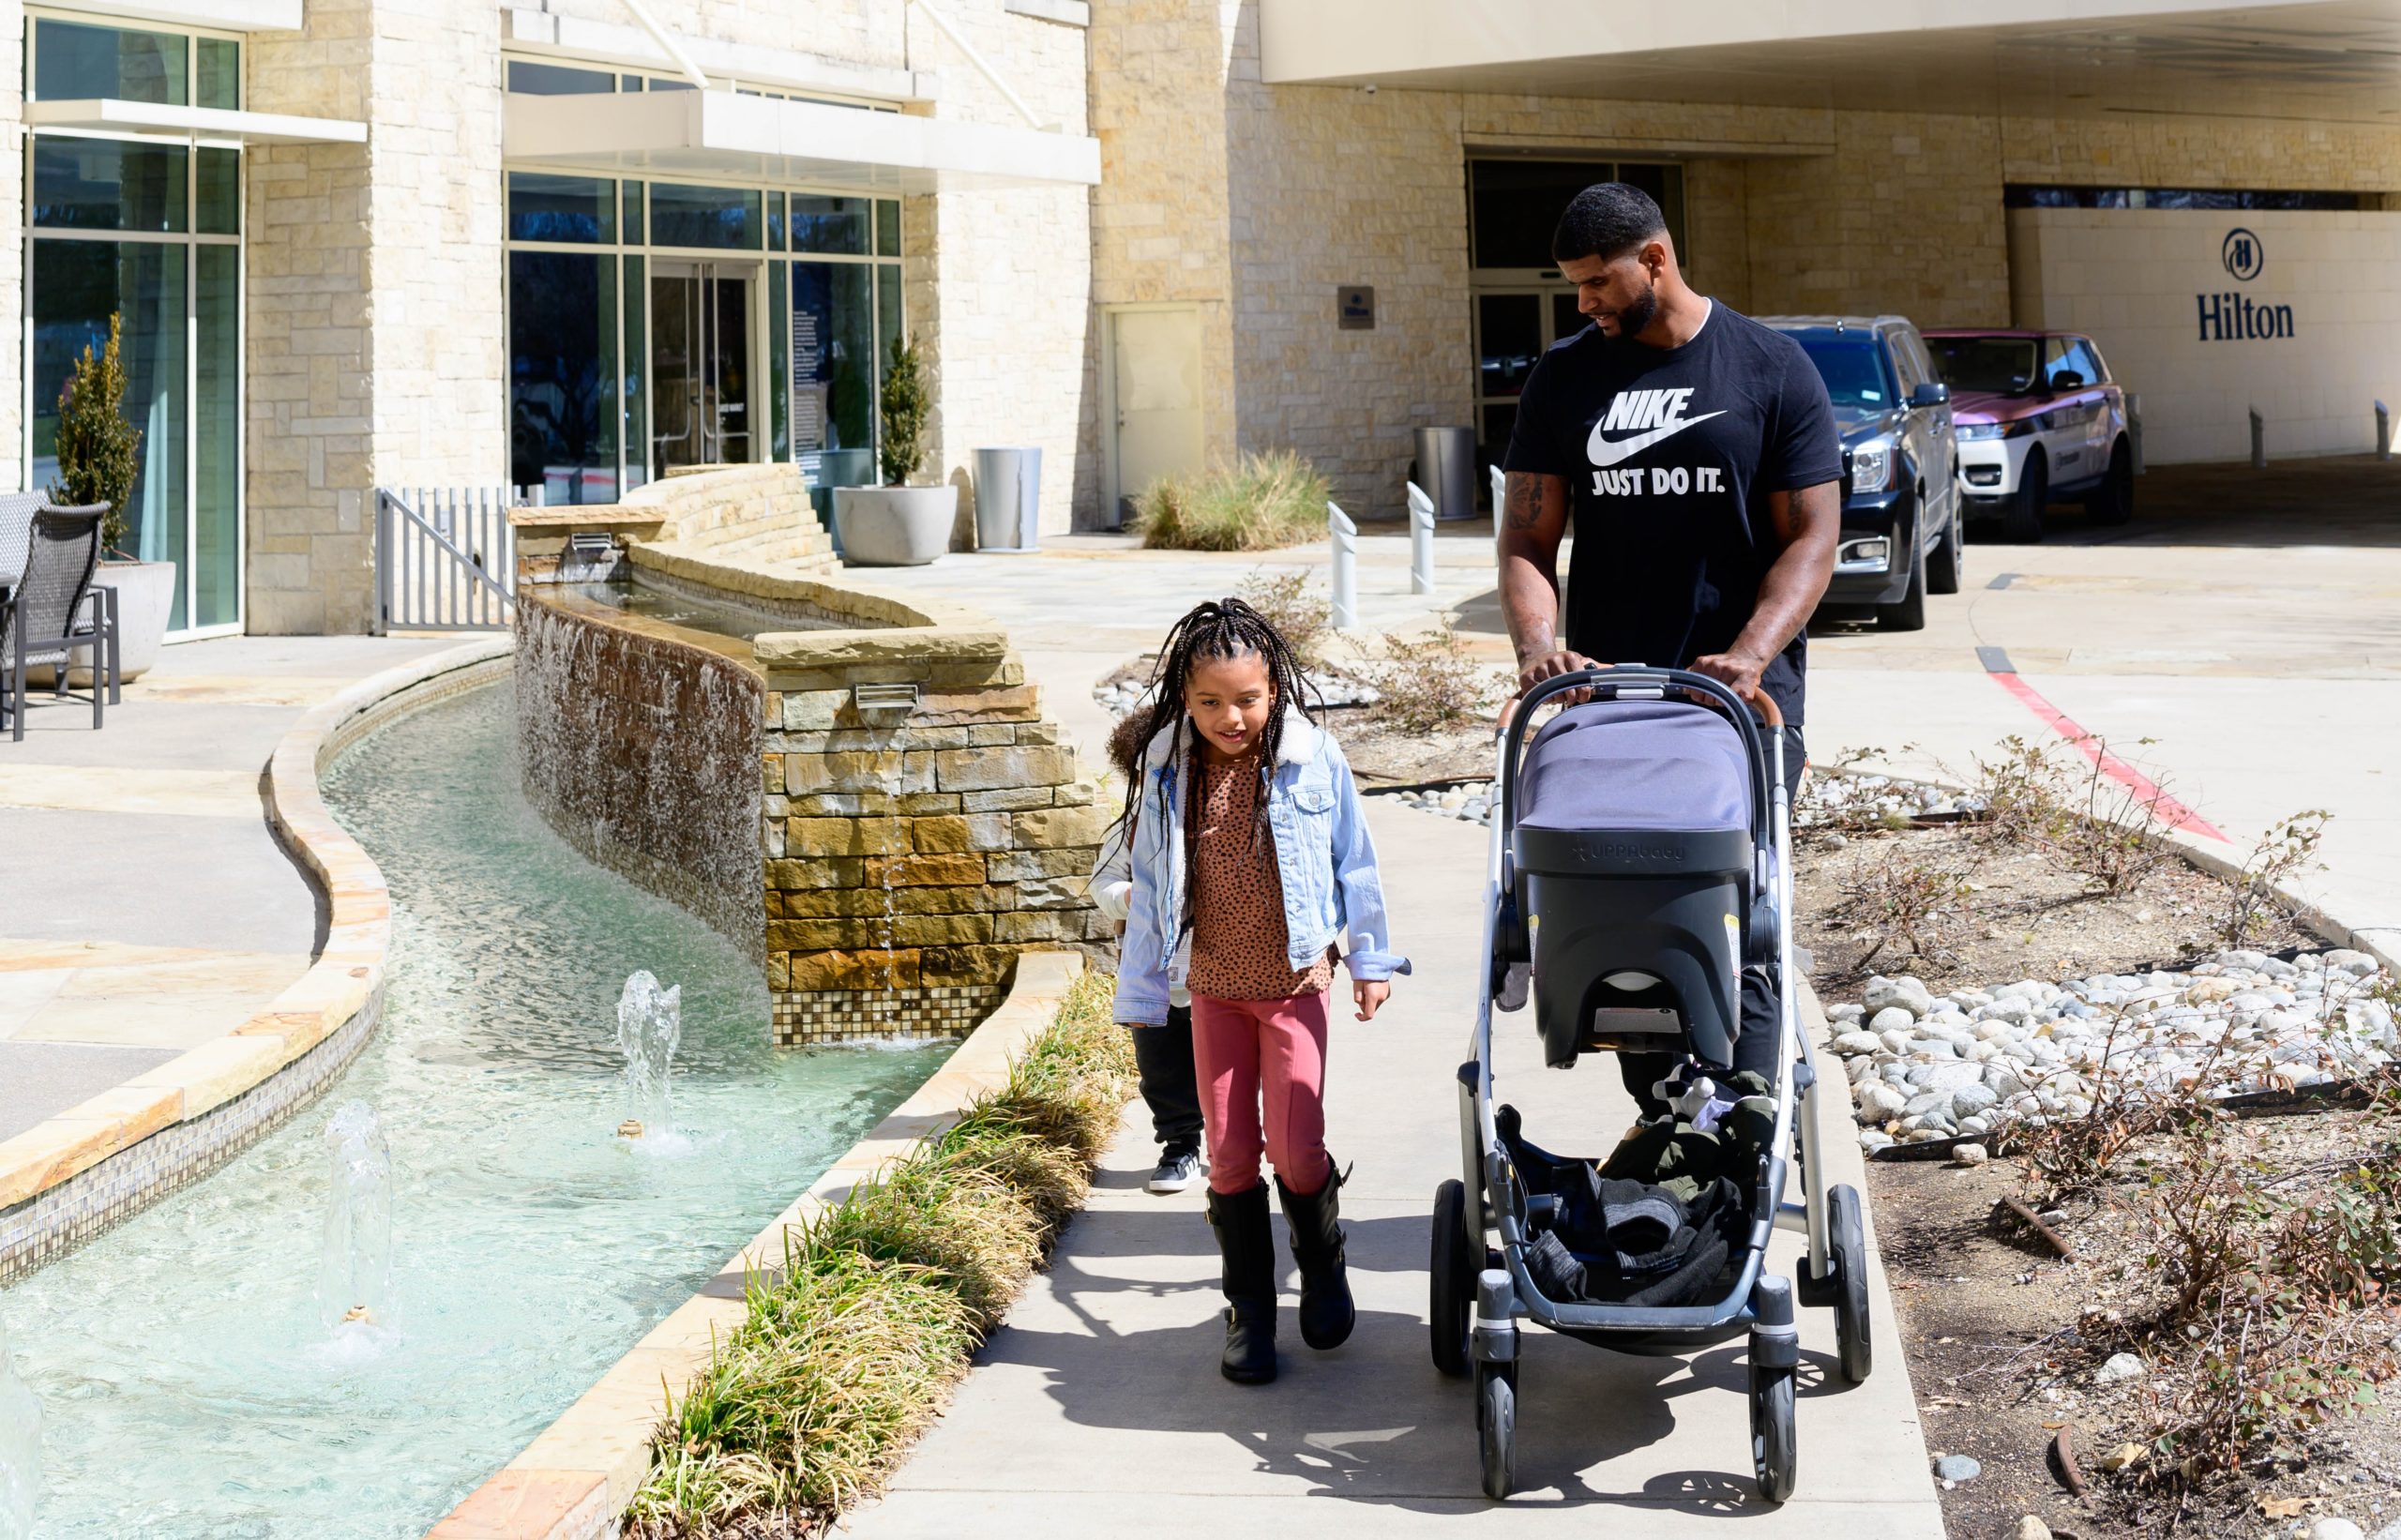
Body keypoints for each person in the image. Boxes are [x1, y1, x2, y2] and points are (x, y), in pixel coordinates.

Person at [1496, 180, 1840, 1106]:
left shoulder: (1768, 370)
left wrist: (1751, 653)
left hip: (1741, 702)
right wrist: (1539, 647)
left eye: (1598, 281)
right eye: (1575, 286)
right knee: (1627, 918)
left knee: (1744, 901)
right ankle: (1667, 1120)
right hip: (1612, 704)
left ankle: (1744, 1119)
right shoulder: (1565, 378)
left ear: (1655, 259)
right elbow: (1527, 539)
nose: (1584, 303)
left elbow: (1812, 539)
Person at [1110, 597, 1408, 1385]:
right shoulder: (1171, 762)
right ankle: (1248, 1309)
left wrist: (1371, 961)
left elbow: (1357, 862)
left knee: (1297, 1144)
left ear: (1274, 689)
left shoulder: (1314, 756)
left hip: (1293, 981)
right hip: (1212, 987)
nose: (1229, 716)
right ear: (1185, 697)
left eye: (1246, 699)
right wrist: (1142, 993)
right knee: (1232, 1153)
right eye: (1209, 701)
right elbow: (1148, 883)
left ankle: (1324, 1262)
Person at [1091, 710, 1206, 1195]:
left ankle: (1233, 1145)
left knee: (1224, 1068)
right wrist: (1130, 895)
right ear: (1136, 775)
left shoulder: (1216, 824)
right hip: (1153, 976)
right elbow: (1102, 885)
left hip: (1214, 974)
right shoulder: (1132, 828)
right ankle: (1181, 1145)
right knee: (1161, 1069)